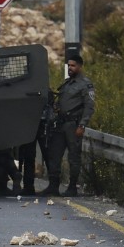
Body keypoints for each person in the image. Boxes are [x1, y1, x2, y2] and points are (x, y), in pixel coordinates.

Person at [46, 49, 94, 197]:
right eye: (68, 66)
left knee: (73, 157)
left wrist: (82, 125)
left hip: (74, 126)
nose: (70, 68)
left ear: (79, 67)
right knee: (55, 155)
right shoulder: (67, 84)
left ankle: (72, 187)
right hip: (61, 124)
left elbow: (89, 106)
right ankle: (53, 186)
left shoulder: (85, 85)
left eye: (73, 66)